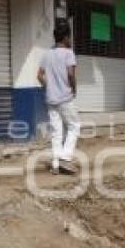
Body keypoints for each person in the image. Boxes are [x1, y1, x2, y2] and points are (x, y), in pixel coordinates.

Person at [38, 20, 80, 175]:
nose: (70, 40)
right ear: (66, 37)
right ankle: (65, 158)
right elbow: (70, 74)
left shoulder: (47, 54)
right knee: (74, 126)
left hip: (51, 98)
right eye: (69, 37)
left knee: (56, 132)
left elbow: (39, 76)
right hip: (65, 98)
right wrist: (74, 89)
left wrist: (48, 87)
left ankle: (56, 164)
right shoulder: (69, 53)